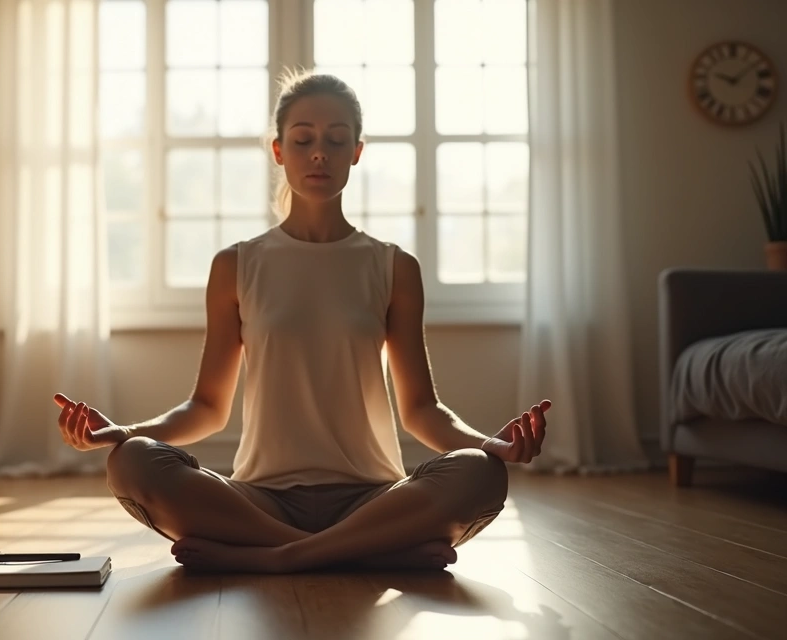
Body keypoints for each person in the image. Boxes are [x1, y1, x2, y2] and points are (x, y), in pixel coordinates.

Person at [52, 70, 551, 574]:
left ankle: (278, 559)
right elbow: (207, 408)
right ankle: (362, 553)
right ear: (278, 151)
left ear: (356, 151)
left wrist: (493, 445)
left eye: (336, 140)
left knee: (481, 473)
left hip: (374, 499)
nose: (319, 153)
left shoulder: (393, 267)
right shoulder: (237, 265)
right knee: (132, 461)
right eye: (303, 139)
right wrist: (124, 432)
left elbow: (421, 409)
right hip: (260, 500)